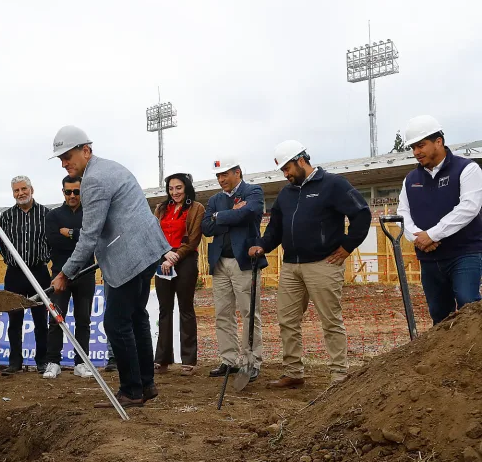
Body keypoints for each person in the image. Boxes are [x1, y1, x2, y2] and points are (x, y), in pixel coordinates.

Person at [50, 125, 173, 408]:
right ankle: (145, 384)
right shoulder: (110, 168)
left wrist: (65, 273)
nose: (65, 162)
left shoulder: (93, 181)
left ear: (86, 150)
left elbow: (90, 234)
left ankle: (131, 390)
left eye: (68, 156)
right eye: (61, 159)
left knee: (116, 323)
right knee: (136, 316)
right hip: (147, 249)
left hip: (130, 256)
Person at [249, 140, 371, 388]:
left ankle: (339, 375)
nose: (286, 174)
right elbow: (275, 228)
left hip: (323, 263)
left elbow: (362, 214)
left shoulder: (333, 185)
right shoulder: (286, 193)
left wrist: (348, 246)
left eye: (288, 168)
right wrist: (263, 244)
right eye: (282, 170)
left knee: (330, 320)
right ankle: (293, 372)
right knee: (287, 319)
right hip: (291, 266)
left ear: (301, 160)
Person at [397, 115, 482, 324]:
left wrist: (432, 234)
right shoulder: (410, 180)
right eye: (413, 148)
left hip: (464, 253)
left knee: (468, 303)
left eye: (421, 145)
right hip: (429, 258)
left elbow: (469, 207)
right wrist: (418, 237)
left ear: (439, 141)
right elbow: (403, 212)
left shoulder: (467, 169)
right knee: (439, 313)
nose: (416, 152)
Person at [201, 158, 267, 383]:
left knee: (249, 313)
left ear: (237, 172)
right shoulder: (215, 199)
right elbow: (206, 227)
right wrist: (232, 214)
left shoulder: (253, 191)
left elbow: (250, 213)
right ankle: (229, 360)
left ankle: (251, 362)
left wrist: (220, 216)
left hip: (245, 262)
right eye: (218, 176)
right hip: (220, 263)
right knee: (223, 314)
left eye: (224, 175)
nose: (221, 180)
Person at [42, 175, 96, 379]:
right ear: (63, 192)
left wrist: (70, 233)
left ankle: (81, 362)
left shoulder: (91, 214)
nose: (72, 196)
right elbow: (54, 240)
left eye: (76, 191)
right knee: (56, 319)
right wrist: (80, 236)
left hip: (86, 273)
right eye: (68, 192)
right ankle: (53, 361)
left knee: (83, 320)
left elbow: (93, 241)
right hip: (59, 274)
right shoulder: (53, 215)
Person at [0, 175, 51, 376]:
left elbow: (51, 240)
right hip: (15, 274)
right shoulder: (6, 216)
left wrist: (45, 256)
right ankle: (15, 362)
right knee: (15, 319)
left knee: (40, 319)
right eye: (16, 190)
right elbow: (1, 243)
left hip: (39, 272)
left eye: (23, 189)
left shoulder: (46, 214)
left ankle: (42, 361)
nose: (20, 193)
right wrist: (10, 260)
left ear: (31, 190)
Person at [152, 172, 204, 376]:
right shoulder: (161, 208)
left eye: (179, 188)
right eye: (171, 188)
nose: (174, 192)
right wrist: (165, 255)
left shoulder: (196, 208)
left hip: (185, 260)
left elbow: (193, 239)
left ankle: (189, 360)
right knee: (165, 309)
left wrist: (174, 256)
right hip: (162, 260)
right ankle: (162, 359)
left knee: (186, 308)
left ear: (187, 188)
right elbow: (154, 234)